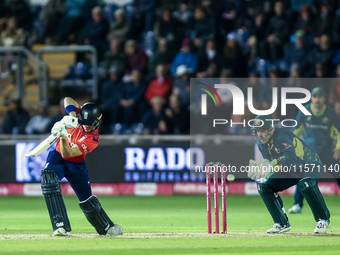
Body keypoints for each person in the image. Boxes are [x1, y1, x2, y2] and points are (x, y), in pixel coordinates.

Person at [41, 97, 123, 236]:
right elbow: (67, 100)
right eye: (83, 122)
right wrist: (72, 117)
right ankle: (60, 226)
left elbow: (69, 153)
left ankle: (107, 227)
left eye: (88, 124)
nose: (84, 126)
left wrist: (62, 135)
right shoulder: (82, 116)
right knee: (49, 178)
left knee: (87, 200)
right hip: (57, 157)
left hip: (75, 164)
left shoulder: (93, 140)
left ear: (97, 122)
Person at [248, 115, 330, 234]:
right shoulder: (262, 144)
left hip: (309, 164)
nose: (259, 135)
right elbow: (273, 161)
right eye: (257, 131)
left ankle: (323, 219)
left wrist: (271, 166)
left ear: (271, 129)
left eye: (263, 131)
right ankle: (281, 223)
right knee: (263, 186)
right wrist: (266, 167)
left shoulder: (282, 135)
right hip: (290, 169)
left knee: (305, 183)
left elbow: (290, 159)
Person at [288, 87, 340, 214]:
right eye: (315, 96)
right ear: (312, 98)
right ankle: (297, 205)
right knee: (304, 178)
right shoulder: (304, 111)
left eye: (320, 97)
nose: (317, 99)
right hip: (309, 153)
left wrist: (338, 148)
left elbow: (339, 133)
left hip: (327, 151)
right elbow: (296, 131)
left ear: (324, 99)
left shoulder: (331, 113)